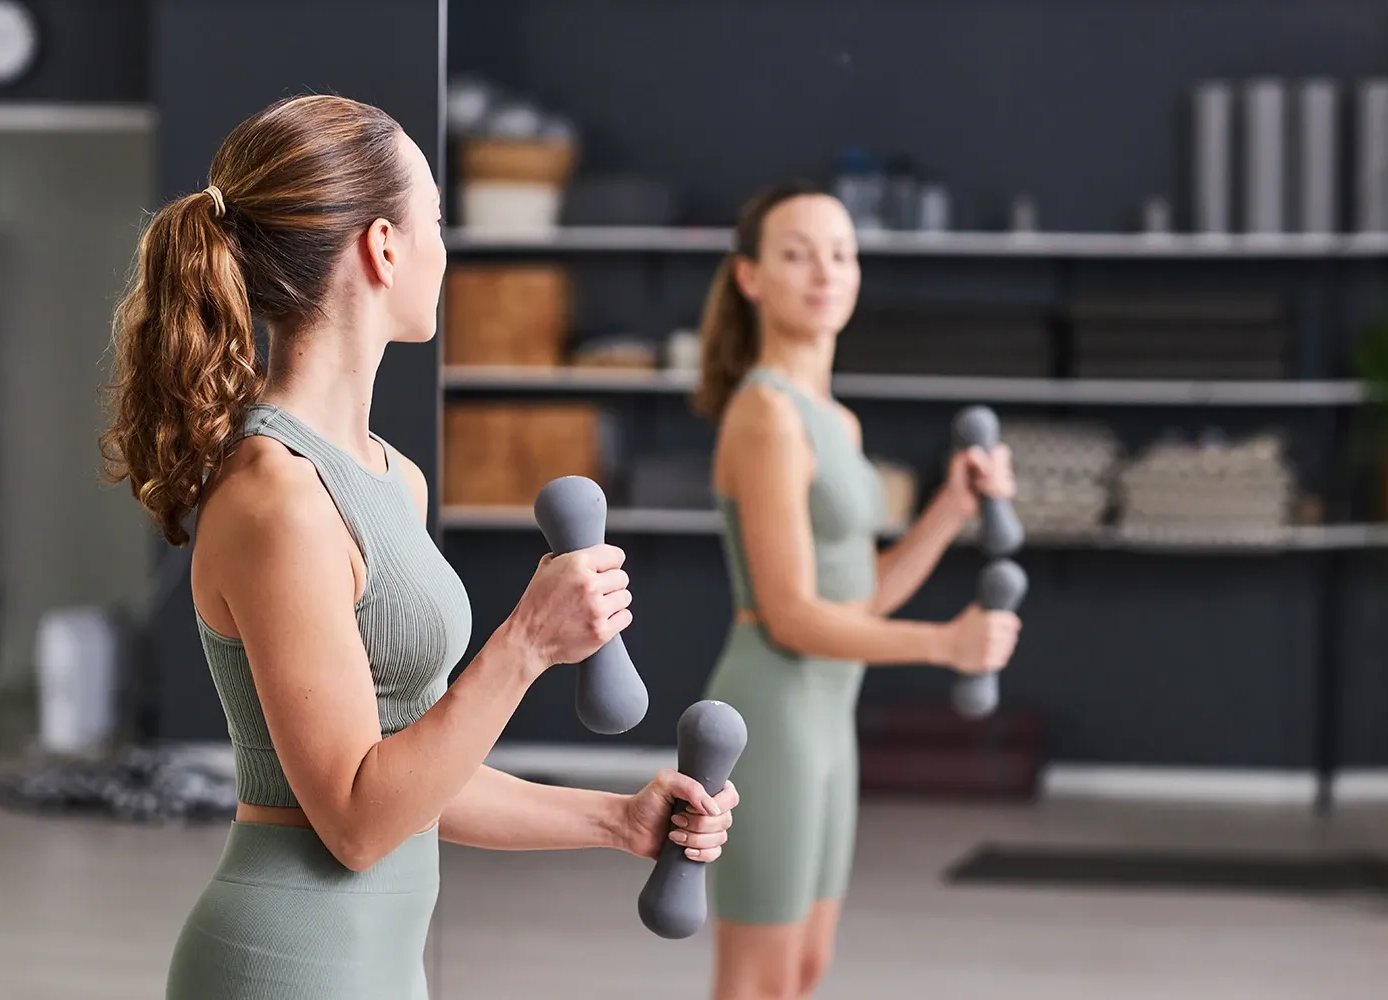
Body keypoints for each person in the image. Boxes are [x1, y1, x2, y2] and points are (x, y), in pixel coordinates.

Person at [100, 94, 739, 1000]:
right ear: (384, 246)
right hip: (289, 965)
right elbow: (358, 821)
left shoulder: (389, 479)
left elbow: (411, 781)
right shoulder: (276, 496)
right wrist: (526, 645)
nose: (447, 248)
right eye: (437, 219)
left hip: (379, 966)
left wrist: (615, 818)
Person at [693, 182, 1019, 1000]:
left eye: (841, 254)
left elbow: (858, 595)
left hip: (829, 719)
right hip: (773, 714)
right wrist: (946, 644)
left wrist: (951, 509)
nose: (824, 272)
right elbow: (793, 616)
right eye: (797, 254)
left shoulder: (836, 423)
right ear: (751, 277)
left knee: (804, 970)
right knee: (759, 982)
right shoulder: (765, 415)